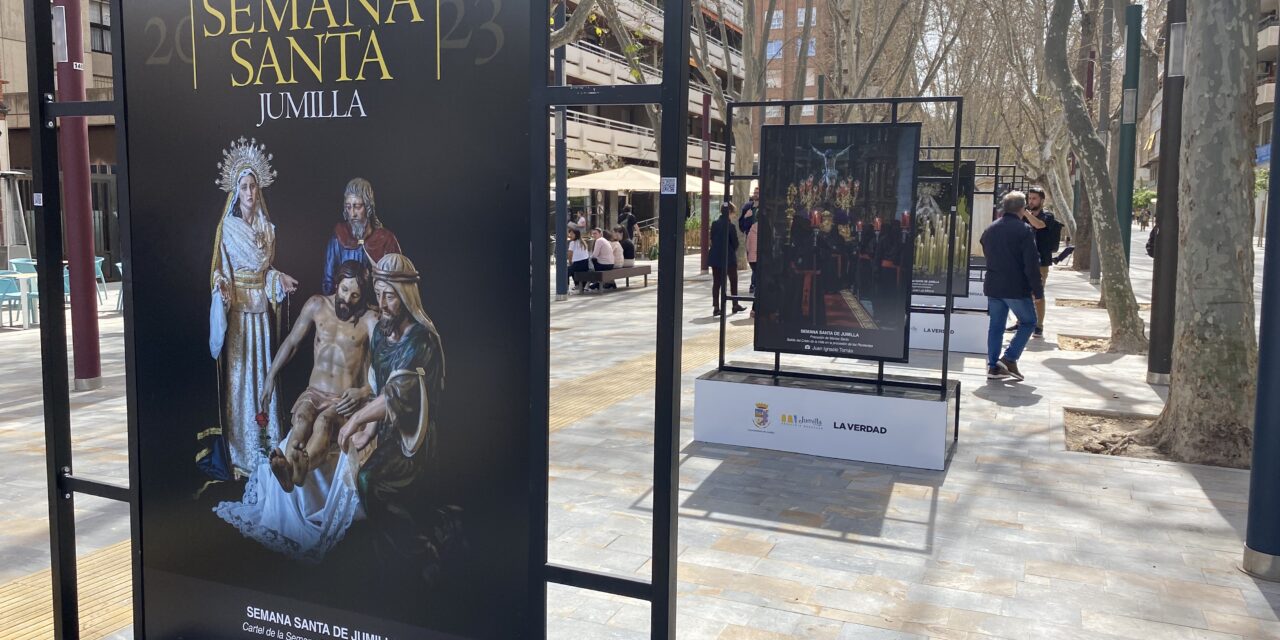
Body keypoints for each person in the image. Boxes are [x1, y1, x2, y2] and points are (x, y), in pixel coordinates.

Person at [337, 253, 455, 572]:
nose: (384, 303)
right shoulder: (380, 333)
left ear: (405, 296)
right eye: (379, 294)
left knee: (370, 481)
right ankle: (394, 559)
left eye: (390, 295)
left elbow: (396, 396)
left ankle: (419, 553)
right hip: (391, 434)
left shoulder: (422, 340)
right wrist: (370, 432)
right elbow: (378, 386)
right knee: (368, 487)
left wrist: (356, 421)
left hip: (415, 440)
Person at [208, 138, 299, 478]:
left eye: (253, 186)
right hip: (238, 313)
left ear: (259, 190)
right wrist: (221, 284)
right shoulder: (228, 229)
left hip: (261, 313)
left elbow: (265, 272)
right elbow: (221, 268)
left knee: (263, 372)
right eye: (243, 187)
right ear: (236, 191)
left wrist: (280, 278)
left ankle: (266, 443)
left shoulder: (267, 230)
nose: (249, 192)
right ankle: (241, 449)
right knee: (240, 376)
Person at [259, 260, 379, 492]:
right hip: (313, 392)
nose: (347, 299)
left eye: (355, 295)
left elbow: (380, 368)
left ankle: (300, 469)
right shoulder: (316, 305)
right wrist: (270, 377)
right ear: (337, 284)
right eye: (344, 290)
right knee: (303, 417)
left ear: (362, 295)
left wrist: (364, 392)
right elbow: (292, 342)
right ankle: (288, 469)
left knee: (324, 422)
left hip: (344, 398)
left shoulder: (369, 320)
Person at [981, 191, 1043, 382]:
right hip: (1016, 287)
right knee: (1029, 322)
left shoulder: (990, 229)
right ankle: (1009, 358)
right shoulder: (1024, 230)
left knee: (996, 326)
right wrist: (1037, 290)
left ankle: (993, 367)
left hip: (994, 285)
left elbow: (986, 249)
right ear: (1022, 209)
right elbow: (1031, 264)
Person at [322, 178, 401, 295]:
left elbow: (397, 283)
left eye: (357, 206)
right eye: (348, 207)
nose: (352, 213)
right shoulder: (338, 238)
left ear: (368, 207)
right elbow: (328, 282)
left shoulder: (386, 240)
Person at [1005, 186, 1061, 338]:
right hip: (1022, 260)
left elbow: (1039, 225)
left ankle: (1039, 325)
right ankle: (1020, 322)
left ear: (1042, 200)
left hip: (1041, 262)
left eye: (1034, 198)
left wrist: (1025, 214)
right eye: (1029, 198)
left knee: (1038, 294)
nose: (1031, 201)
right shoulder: (1022, 215)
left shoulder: (1047, 215)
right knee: (1020, 293)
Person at [709, 202, 746, 316]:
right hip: (728, 258)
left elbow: (712, 239)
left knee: (717, 282)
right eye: (733, 213)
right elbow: (735, 243)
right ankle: (735, 304)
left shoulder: (714, 224)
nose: (734, 216)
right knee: (733, 280)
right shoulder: (730, 227)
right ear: (729, 212)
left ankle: (716, 306)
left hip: (715, 257)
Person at [567, 228, 590, 292]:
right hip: (585, 265)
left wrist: (570, 262)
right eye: (569, 233)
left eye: (571, 234)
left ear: (576, 235)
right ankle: (577, 285)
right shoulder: (583, 242)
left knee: (566, 271)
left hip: (578, 264)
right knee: (572, 268)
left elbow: (569, 254)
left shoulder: (572, 243)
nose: (569, 235)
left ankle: (565, 289)